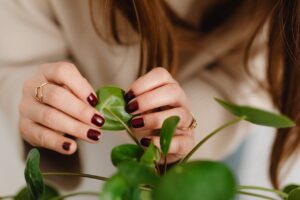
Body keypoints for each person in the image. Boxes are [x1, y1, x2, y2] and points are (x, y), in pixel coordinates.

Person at [0, 0, 298, 192]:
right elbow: (18, 59)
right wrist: (39, 101)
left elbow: (254, 77)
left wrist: (191, 125)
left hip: (211, 134)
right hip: (101, 138)